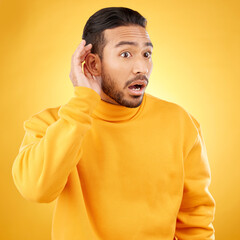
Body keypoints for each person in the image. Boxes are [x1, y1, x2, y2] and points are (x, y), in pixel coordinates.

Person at [12, 7, 215, 240]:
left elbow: (196, 218)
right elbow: (36, 189)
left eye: (146, 54)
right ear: (93, 64)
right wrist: (82, 102)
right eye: (126, 54)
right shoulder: (51, 124)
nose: (141, 68)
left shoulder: (180, 123)